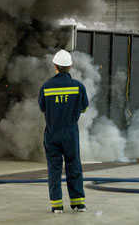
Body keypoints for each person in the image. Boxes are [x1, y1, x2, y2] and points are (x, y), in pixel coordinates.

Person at [38, 49, 89, 213]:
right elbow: (84, 108)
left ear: (55, 66)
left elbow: (43, 108)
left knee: (54, 169)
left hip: (52, 133)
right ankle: (78, 203)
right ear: (70, 66)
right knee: (74, 166)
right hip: (70, 133)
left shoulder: (46, 87)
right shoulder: (78, 87)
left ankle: (57, 206)